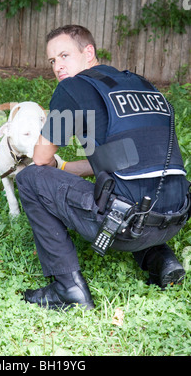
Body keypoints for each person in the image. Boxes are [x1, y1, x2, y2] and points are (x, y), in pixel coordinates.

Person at [15, 24, 190, 310]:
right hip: (175, 217)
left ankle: (67, 290)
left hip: (125, 227)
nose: (58, 66)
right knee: (133, 184)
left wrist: (54, 167)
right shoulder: (141, 84)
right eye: (52, 61)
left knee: (31, 178)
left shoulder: (73, 88)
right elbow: (124, 159)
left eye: (64, 56)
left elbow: (42, 159)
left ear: (88, 52)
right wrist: (69, 168)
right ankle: (161, 260)